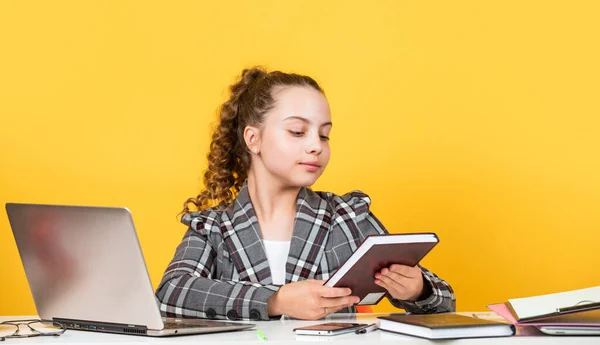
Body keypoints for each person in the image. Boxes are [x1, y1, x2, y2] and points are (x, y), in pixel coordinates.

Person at [155, 67, 455, 321]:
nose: (316, 145)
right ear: (253, 138)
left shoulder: (346, 217)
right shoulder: (212, 228)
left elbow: (445, 303)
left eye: (324, 135)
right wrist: (276, 301)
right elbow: (171, 292)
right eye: (298, 131)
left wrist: (418, 290)